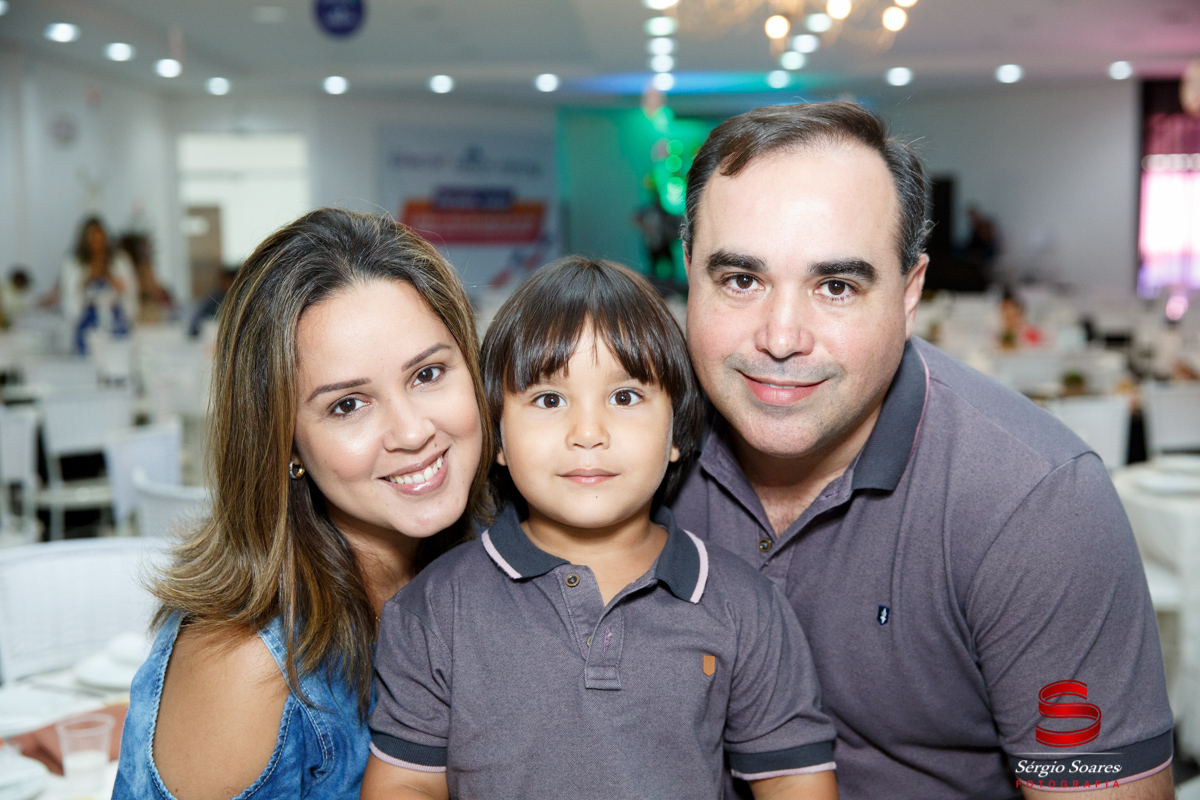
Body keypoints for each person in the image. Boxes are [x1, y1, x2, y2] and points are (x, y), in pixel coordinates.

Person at [670, 102, 1174, 800]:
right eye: (741, 280)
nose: (781, 337)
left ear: (910, 294)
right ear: (688, 274)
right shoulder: (619, 452)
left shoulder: (1035, 504)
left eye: (836, 286)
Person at [362, 257, 839, 800]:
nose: (588, 432)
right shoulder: (434, 608)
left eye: (625, 397)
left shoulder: (744, 606)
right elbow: (405, 782)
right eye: (549, 400)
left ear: (676, 431)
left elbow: (793, 781)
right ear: (497, 436)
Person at [112, 209, 491, 799]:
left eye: (428, 373)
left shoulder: (504, 553)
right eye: (347, 405)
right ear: (284, 441)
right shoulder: (246, 664)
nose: (412, 431)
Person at [54, 216, 139, 351]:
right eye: (93, 240)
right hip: (87, 328)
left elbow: (131, 297)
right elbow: (69, 304)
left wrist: (112, 279)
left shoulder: (119, 261)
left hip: (115, 326)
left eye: (100, 240)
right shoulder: (73, 263)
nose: (97, 245)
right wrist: (86, 280)